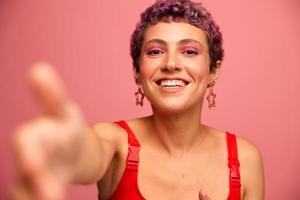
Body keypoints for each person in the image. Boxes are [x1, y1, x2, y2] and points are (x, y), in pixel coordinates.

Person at [11, 0, 264, 199]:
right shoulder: (115, 143)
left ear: (213, 70)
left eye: (189, 51)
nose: (171, 63)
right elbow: (89, 151)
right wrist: (69, 153)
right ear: (137, 71)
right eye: (155, 51)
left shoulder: (244, 159)